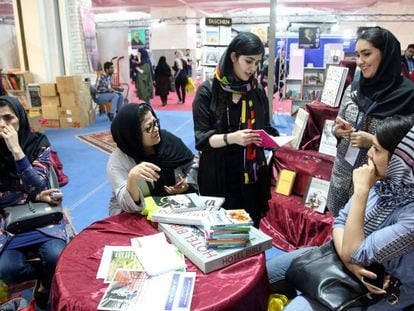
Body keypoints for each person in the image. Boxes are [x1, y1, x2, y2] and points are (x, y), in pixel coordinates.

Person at [267, 114, 414, 310]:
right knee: (263, 275)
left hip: (380, 290)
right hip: (342, 261)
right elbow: (340, 222)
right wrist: (352, 263)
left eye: (377, 149)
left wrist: (361, 191)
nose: (369, 153)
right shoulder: (384, 185)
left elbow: (356, 253)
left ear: (401, 161)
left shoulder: (408, 213)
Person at [192, 32, 279, 228]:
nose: (253, 69)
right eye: (248, 61)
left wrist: (278, 141)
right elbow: (201, 139)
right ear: (233, 57)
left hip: (251, 178)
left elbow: (264, 128)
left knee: (250, 232)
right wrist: (232, 138)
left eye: (257, 63)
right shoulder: (208, 91)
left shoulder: (256, 91)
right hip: (218, 176)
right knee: (219, 235)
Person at [326, 27, 414, 217]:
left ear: (386, 54)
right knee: (337, 229)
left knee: (363, 241)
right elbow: (337, 122)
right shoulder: (355, 87)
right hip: (342, 175)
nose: (360, 62)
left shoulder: (408, 96)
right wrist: (338, 131)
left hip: (378, 187)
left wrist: (374, 141)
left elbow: (409, 150)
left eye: (366, 54)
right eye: (357, 55)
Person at [0, 96, 67, 308]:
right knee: (6, 269)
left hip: (43, 217)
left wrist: (17, 151)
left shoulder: (38, 143)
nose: (3, 125)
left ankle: (45, 286)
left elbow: (37, 185)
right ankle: (44, 277)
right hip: (9, 224)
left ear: (20, 118)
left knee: (56, 256)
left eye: (8, 118)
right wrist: (32, 194)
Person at [107, 103, 197, 216]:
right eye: (148, 128)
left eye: (156, 122)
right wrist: (132, 178)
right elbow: (127, 206)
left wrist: (187, 183)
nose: (156, 129)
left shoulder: (168, 141)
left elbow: (192, 164)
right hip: (135, 215)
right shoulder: (119, 160)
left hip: (171, 208)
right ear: (133, 134)